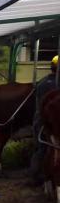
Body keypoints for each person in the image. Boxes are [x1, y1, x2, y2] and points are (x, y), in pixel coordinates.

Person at [30, 55, 58, 184]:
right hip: (50, 123)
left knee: (40, 148)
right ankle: (47, 176)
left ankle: (36, 175)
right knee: (49, 149)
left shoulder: (42, 82)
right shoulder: (56, 86)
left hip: (38, 120)